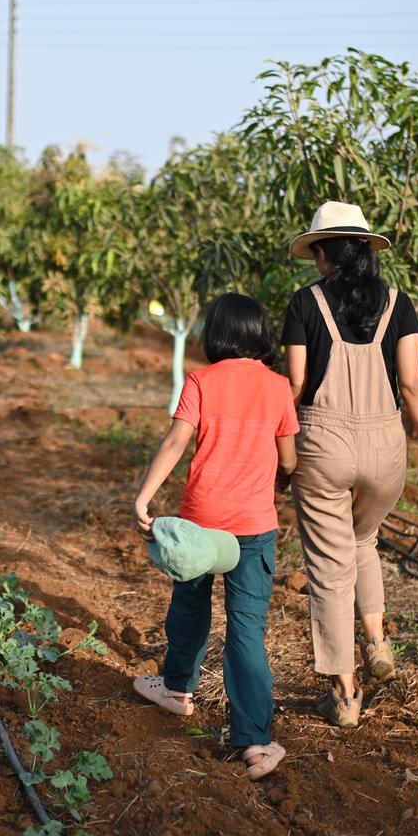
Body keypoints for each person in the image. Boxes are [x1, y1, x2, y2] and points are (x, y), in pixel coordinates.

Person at [282, 202, 418, 728]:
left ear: (324, 252)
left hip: (324, 443)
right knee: (364, 542)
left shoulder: (304, 304)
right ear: (365, 248)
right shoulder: (399, 305)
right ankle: (377, 640)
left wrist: (276, 449)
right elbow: (414, 386)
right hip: (386, 446)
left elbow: (293, 386)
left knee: (331, 570)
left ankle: (346, 696)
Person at [132, 292, 299, 780]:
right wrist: (279, 478)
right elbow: (288, 460)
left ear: (216, 334)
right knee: (245, 630)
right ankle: (256, 743)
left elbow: (175, 442)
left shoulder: (201, 380)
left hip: (201, 524)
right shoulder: (278, 386)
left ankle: (178, 690)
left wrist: (143, 498)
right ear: (259, 334)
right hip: (253, 527)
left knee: (189, 606)